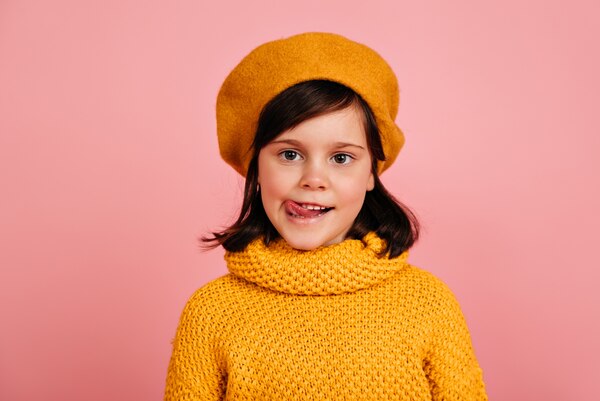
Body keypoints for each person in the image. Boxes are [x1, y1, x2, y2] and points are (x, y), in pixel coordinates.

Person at [164, 32, 488, 400]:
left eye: (341, 158)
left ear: (371, 173)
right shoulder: (210, 314)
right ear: (255, 166)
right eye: (289, 154)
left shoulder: (428, 304)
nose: (314, 180)